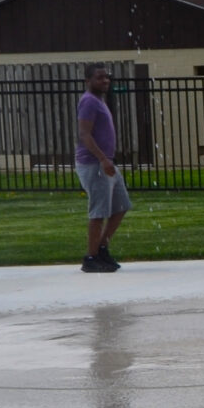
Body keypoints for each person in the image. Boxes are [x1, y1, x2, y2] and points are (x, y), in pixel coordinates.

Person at [74, 63, 130, 271]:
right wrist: (103, 160)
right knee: (98, 213)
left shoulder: (98, 101)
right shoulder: (88, 101)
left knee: (121, 206)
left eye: (106, 77)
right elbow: (84, 134)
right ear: (88, 81)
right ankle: (91, 258)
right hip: (94, 164)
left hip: (105, 163)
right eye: (99, 77)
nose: (105, 81)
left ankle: (101, 247)